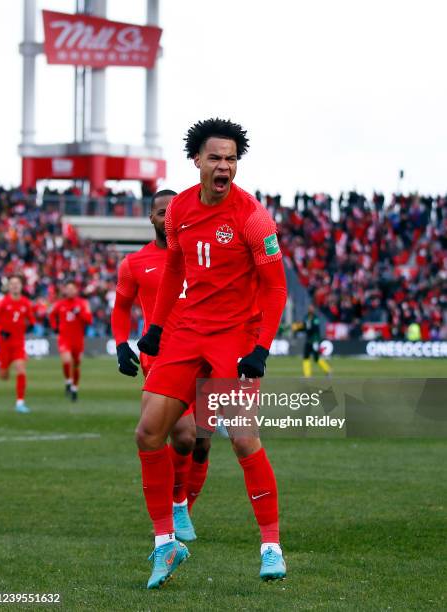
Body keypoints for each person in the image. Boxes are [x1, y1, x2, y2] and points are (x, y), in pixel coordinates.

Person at [137, 118, 288, 588]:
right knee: (148, 433)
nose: (225, 166)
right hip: (187, 333)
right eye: (216, 158)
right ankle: (166, 544)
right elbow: (174, 270)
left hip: (236, 339)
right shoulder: (179, 208)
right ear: (197, 161)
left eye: (232, 159)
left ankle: (271, 546)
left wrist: (261, 348)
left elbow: (275, 287)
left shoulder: (253, 217)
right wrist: (157, 328)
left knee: (242, 438)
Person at [111, 189, 203, 543]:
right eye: (161, 212)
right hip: (163, 358)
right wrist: (121, 346)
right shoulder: (134, 263)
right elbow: (121, 308)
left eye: (174, 211)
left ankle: (181, 504)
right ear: (151, 218)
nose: (168, 217)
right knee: (183, 434)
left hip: (206, 357)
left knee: (200, 443)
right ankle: (176, 504)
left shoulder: (201, 257)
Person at [0, 275, 35, 413]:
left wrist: (31, 325)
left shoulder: (26, 303)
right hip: (4, 344)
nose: (15, 286)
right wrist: (0, 330)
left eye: (17, 283)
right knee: (4, 376)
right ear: (8, 287)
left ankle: (20, 403)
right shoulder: (2, 303)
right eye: (12, 283)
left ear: (21, 286)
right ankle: (0, 366)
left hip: (19, 343)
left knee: (21, 368)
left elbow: (31, 319)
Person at [49, 280, 92, 402]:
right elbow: (51, 315)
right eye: (68, 289)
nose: (70, 291)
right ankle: (68, 380)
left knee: (77, 365)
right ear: (65, 291)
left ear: (76, 290)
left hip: (78, 339)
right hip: (64, 338)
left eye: (72, 288)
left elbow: (89, 320)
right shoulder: (60, 304)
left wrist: (80, 314)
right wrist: (54, 327)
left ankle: (74, 388)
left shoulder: (83, 303)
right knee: (67, 361)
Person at [292, 304, 331, 377]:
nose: (310, 309)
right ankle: (307, 375)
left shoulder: (315, 318)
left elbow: (314, 328)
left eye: (311, 308)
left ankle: (327, 370)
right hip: (308, 340)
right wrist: (297, 328)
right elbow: (304, 328)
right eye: (309, 308)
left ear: (313, 309)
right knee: (306, 357)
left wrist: (301, 326)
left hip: (314, 340)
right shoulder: (306, 317)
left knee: (316, 358)